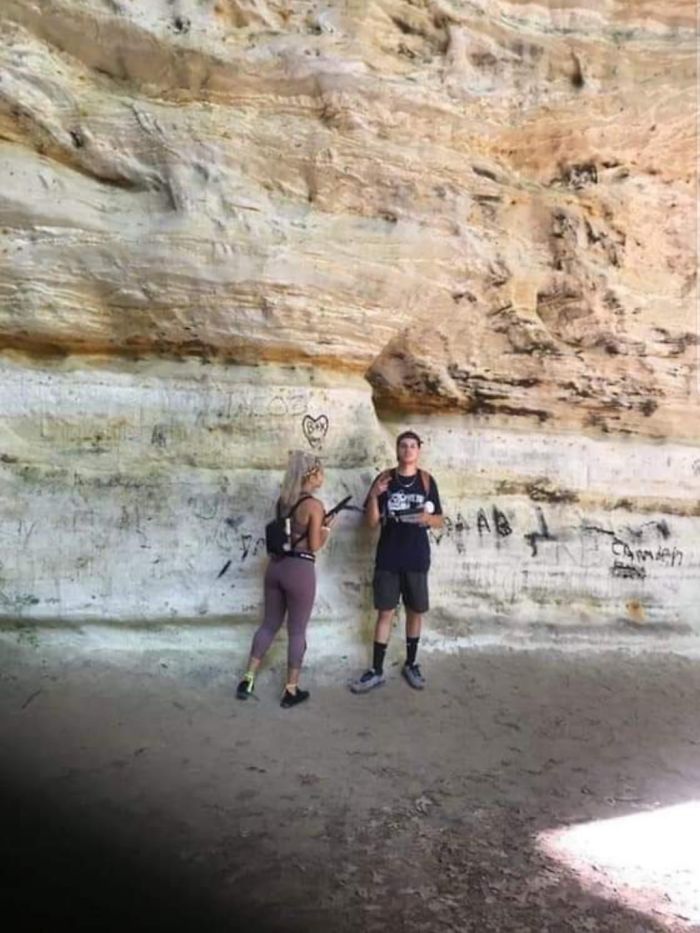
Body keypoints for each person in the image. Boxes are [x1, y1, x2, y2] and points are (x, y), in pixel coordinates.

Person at [236, 451, 332, 708]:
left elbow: (288, 533)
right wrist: (326, 528)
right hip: (300, 570)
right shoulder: (314, 506)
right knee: (297, 631)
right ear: (312, 474)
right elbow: (314, 544)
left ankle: (247, 679)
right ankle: (291, 690)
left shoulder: (283, 501)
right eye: (321, 472)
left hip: (276, 568)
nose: (323, 477)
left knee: (268, 625)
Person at [350, 430, 443, 693]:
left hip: (416, 557)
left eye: (413, 445)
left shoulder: (426, 481)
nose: (408, 450)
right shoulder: (384, 479)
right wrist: (373, 496)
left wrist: (427, 519)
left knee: (415, 611)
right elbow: (370, 523)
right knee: (385, 612)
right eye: (403, 445)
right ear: (397, 449)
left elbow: (439, 520)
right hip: (389, 557)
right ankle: (376, 670)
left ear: (419, 450)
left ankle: (411, 664)